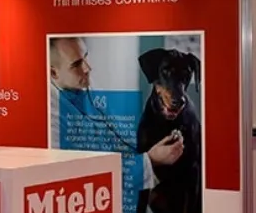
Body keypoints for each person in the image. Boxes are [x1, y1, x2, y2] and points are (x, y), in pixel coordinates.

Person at [48, 35, 184, 195]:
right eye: (76, 64)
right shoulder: (50, 117)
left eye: (85, 56)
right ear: (53, 73)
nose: (87, 68)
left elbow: (115, 136)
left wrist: (151, 148)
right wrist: (151, 160)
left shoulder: (86, 86)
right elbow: (84, 176)